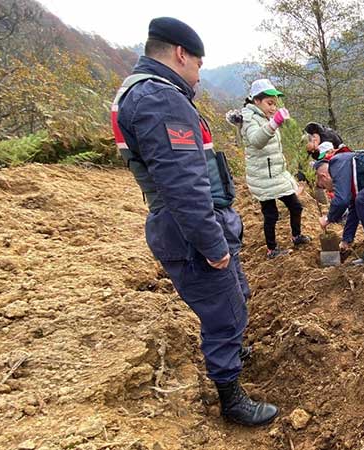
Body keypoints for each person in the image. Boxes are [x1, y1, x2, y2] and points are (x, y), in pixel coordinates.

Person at [111, 17, 277, 426]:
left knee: (235, 295)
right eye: (199, 65)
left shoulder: (146, 93)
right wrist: (212, 245)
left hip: (198, 224)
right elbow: (184, 185)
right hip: (191, 232)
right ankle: (232, 400)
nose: (200, 75)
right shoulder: (159, 100)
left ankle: (232, 355)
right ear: (181, 53)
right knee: (225, 314)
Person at [240, 79, 310, 259]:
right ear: (256, 101)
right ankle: (272, 249)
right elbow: (257, 140)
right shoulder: (249, 119)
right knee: (271, 214)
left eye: (275, 104)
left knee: (296, 206)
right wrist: (274, 124)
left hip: (276, 174)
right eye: (269, 103)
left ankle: (296, 236)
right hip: (263, 177)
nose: (273, 108)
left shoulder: (265, 117)